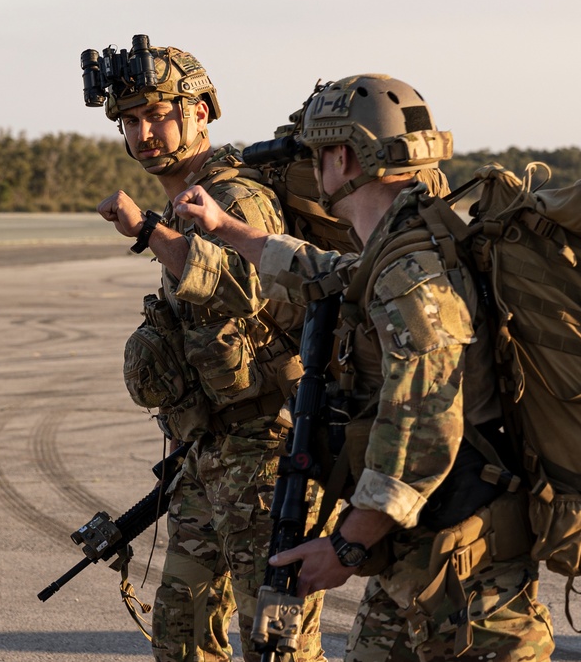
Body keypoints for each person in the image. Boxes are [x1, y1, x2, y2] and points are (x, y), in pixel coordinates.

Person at [174, 74, 555, 661]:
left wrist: (345, 547)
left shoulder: (412, 275)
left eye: (314, 155)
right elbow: (323, 272)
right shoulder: (400, 247)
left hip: (469, 584)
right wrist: (226, 228)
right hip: (416, 559)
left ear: (342, 156)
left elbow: (426, 430)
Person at [88, 37, 327, 662]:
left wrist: (147, 230)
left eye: (157, 114)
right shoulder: (185, 196)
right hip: (207, 457)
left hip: (270, 459)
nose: (143, 132)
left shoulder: (234, 196)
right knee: (182, 637)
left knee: (278, 648)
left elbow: (250, 282)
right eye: (130, 121)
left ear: (200, 111)